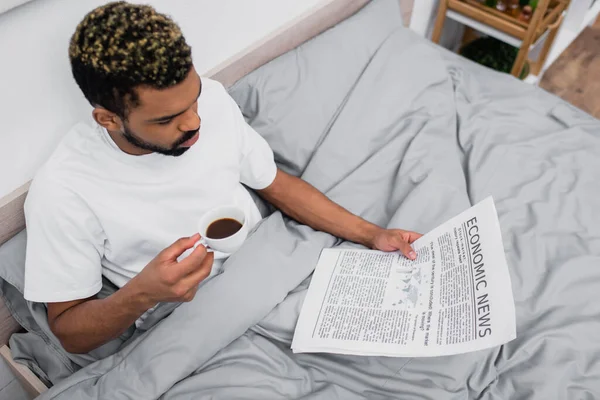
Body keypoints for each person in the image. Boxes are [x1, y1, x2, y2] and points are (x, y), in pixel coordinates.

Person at [23, 1, 422, 354]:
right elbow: (70, 333)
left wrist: (372, 235)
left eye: (193, 99)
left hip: (272, 260)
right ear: (108, 119)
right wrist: (143, 292)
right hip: (192, 313)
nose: (195, 122)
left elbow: (275, 184)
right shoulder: (64, 191)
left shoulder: (212, 101)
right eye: (167, 120)